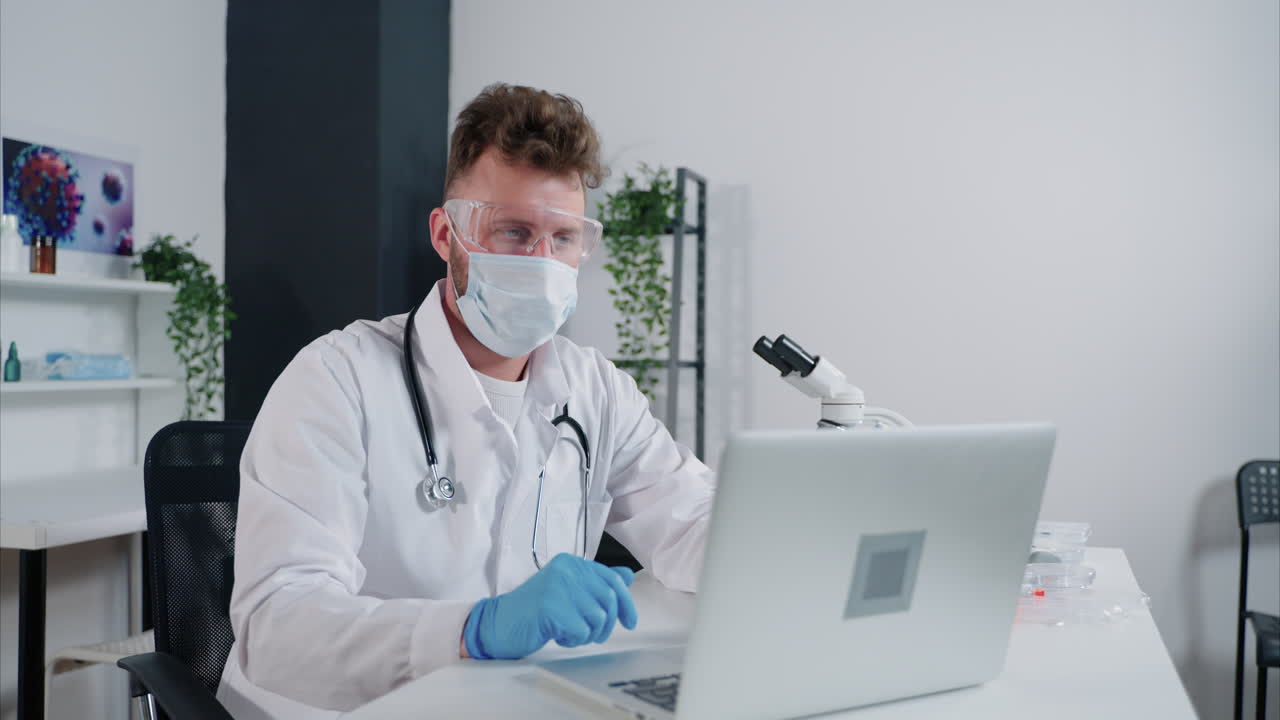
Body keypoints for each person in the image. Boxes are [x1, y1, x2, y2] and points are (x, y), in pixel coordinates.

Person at [216, 83, 715, 719]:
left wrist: (781, 555)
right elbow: (278, 628)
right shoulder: (337, 380)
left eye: (563, 238)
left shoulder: (596, 390)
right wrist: (472, 629)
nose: (542, 262)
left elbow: (694, 521)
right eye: (513, 231)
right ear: (445, 234)